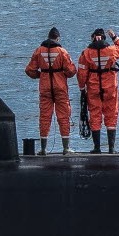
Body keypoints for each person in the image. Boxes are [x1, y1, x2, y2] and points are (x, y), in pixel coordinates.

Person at [23, 27, 75, 155]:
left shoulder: (39, 51)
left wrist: (40, 75)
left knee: (44, 117)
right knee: (63, 117)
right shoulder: (62, 52)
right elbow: (71, 71)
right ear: (57, 38)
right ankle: (66, 148)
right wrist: (62, 74)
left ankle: (43, 149)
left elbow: (29, 70)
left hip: (45, 86)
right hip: (60, 87)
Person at [76, 28, 119, 153]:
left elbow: (81, 74)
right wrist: (114, 37)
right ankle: (111, 148)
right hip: (110, 88)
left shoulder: (86, 53)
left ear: (93, 37)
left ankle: (97, 148)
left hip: (93, 88)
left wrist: (82, 89)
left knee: (95, 116)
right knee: (111, 115)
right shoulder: (112, 50)